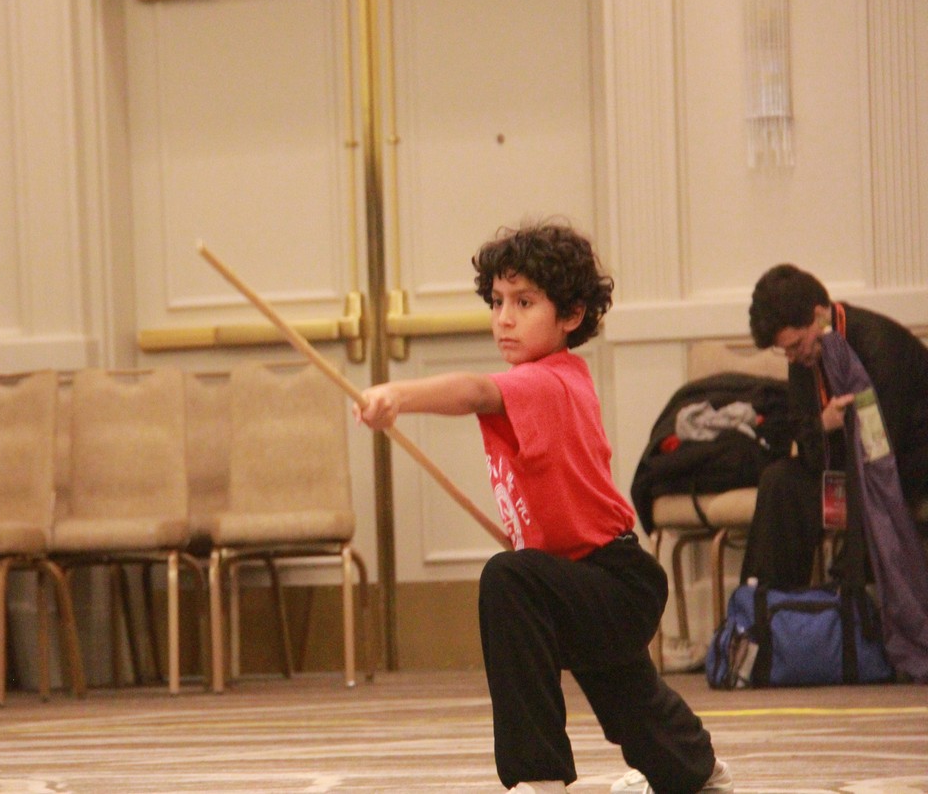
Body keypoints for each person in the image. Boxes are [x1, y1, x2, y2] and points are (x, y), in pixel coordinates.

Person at [353, 221, 732, 794]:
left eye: (524, 302)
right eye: (497, 301)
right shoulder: (539, 381)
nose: (504, 318)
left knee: (509, 581)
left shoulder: (549, 382)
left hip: (617, 578)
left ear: (571, 314)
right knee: (627, 701)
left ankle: (538, 776)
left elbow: (475, 392)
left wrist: (397, 395)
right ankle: (699, 772)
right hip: (581, 578)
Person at [740, 264, 928, 588]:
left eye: (796, 345)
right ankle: (768, 604)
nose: (792, 357)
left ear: (819, 315)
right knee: (779, 482)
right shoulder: (805, 357)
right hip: (849, 462)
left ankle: (846, 602)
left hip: (904, 462)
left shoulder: (879, 345)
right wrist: (823, 424)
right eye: (785, 350)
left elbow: (884, 450)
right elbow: (808, 446)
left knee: (869, 487)